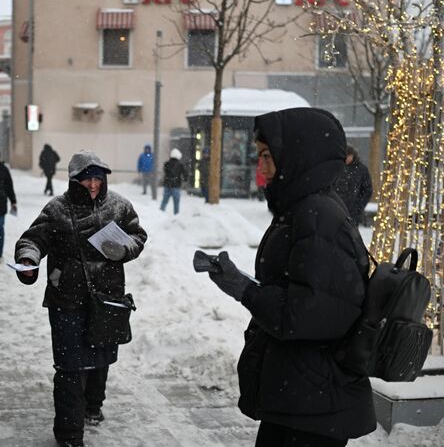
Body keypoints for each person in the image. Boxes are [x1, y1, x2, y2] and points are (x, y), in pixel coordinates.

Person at [203, 108, 375, 446]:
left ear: (298, 154)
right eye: (259, 156)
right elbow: (299, 293)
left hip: (313, 404)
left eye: (267, 156)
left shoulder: (317, 216)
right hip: (299, 395)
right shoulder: (301, 210)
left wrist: (246, 292)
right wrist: (240, 281)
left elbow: (309, 315)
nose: (260, 167)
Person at [14, 150, 147, 447]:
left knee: (100, 360)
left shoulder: (119, 206)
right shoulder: (57, 209)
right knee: (69, 367)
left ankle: (93, 406)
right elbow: (32, 239)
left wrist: (125, 249)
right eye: (87, 178)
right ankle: (69, 435)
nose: (93, 184)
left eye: (97, 178)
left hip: (107, 299)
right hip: (66, 299)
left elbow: (138, 236)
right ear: (74, 180)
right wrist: (27, 259)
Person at [334, 144, 373, 226]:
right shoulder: (337, 168)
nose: (347, 158)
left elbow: (367, 190)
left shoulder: (361, 170)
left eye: (348, 155)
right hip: (336, 208)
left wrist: (359, 206)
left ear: (353, 155)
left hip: (353, 211)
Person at [159, 148, 187, 215]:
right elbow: (185, 174)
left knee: (164, 201)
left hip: (167, 185)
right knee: (176, 203)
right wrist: (185, 179)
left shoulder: (167, 164)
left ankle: (160, 213)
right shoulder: (180, 165)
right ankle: (176, 215)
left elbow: (165, 172)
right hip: (176, 186)